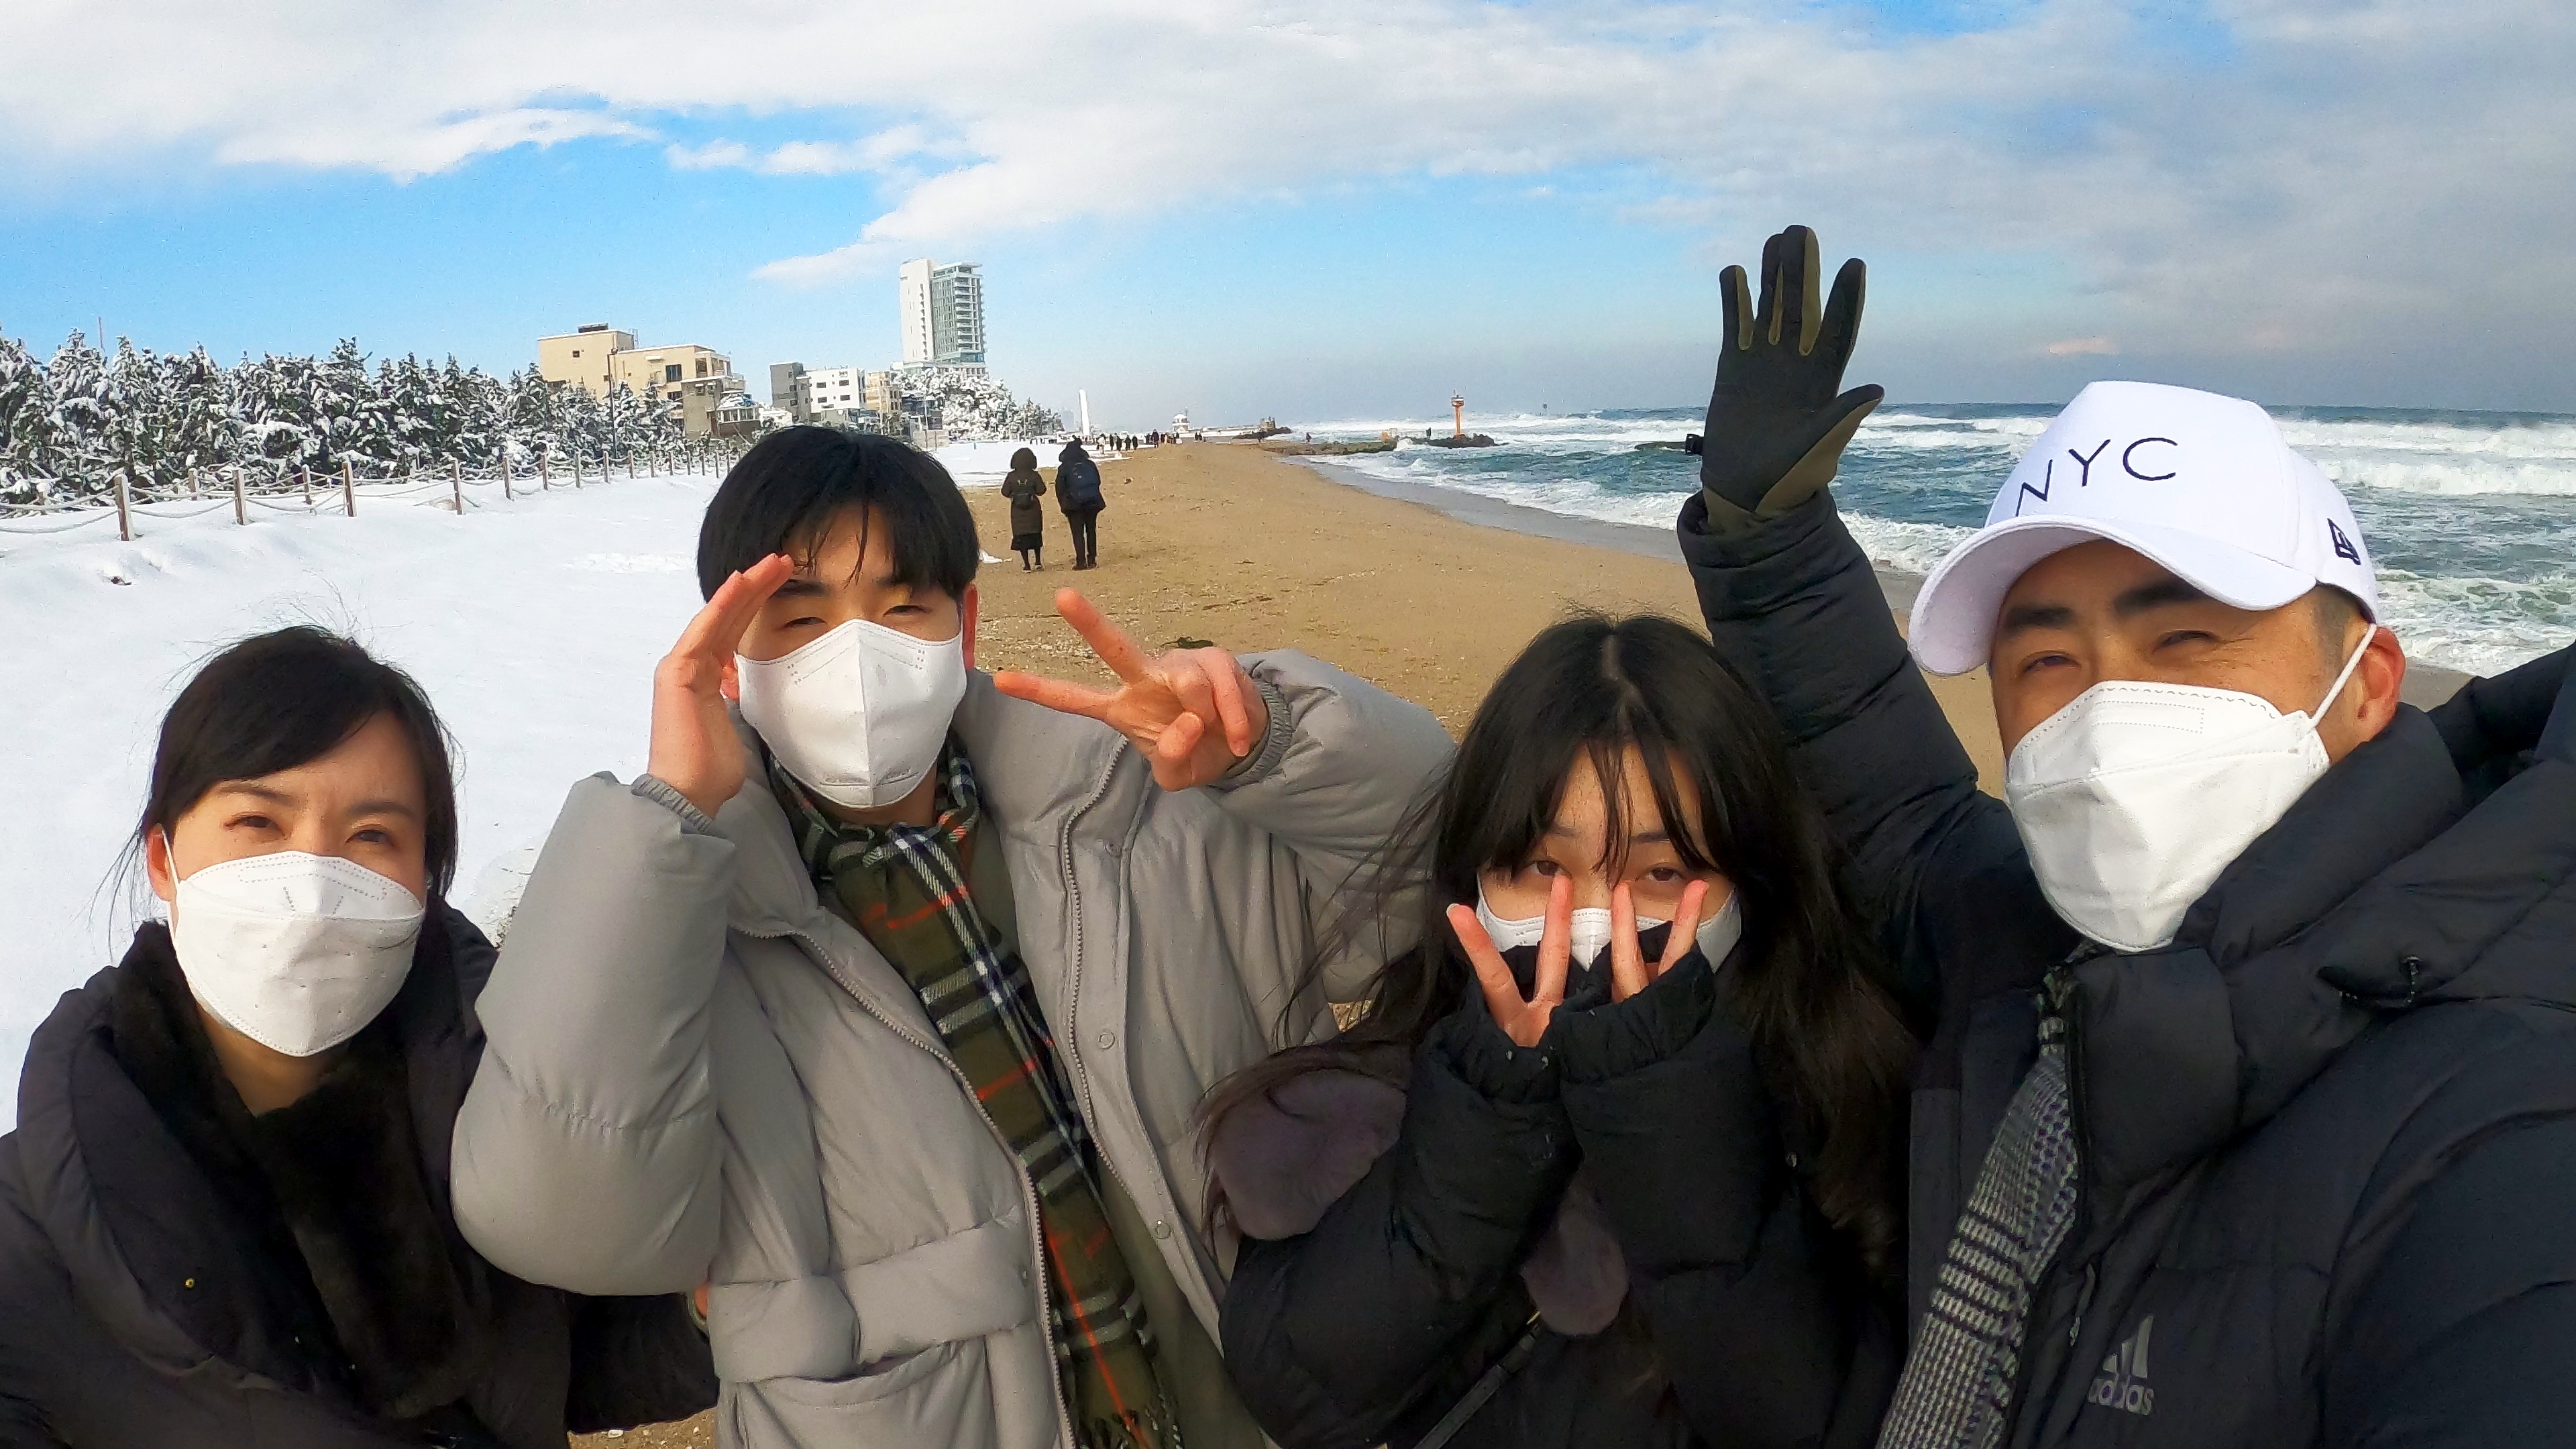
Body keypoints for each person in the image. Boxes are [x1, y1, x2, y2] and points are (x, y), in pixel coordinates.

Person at [1675, 226, 2576, 1446]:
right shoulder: (2033, 950)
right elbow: (1893, 799)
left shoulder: (2500, 1109)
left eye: (2185, 641)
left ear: (2369, 686)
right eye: (2048, 659)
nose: (2106, 716)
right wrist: (1767, 541)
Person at [450, 427, 1453, 1449]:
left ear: (963, 629)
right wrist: (664, 821)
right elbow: (557, 1218)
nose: (855, 659)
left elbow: (1443, 881)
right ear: (725, 659)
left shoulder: (1153, 813)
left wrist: (1272, 745)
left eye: (900, 611)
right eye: (799, 620)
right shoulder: (677, 923)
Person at [1210, 614, 1917, 1449]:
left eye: (1661, 873)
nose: (1592, 926)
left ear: (1754, 884)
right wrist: (1494, 1109)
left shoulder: (1854, 1099)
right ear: (1473, 876)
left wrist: (1673, 1118)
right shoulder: (1373, 1099)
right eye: (1545, 868)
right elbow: (1296, 1387)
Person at [0, 627, 714, 1448]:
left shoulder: (501, 1107)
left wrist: (698, 1319)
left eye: (372, 835)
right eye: (258, 822)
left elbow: (563, 1367)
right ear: (164, 859)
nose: (313, 883)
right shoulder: (30, 1253)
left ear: (424, 881)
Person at [1058, 438, 1107, 570]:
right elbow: (1098, 481)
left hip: (1074, 504)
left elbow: (1060, 488)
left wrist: (1064, 504)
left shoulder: (1064, 468)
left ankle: (1081, 561)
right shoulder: (1090, 464)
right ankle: (1092, 559)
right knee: (1091, 530)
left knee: (1078, 533)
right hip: (1092, 501)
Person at [1002, 445, 1049, 570]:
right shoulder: (1034, 475)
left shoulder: (1011, 476)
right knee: (1035, 534)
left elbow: (1004, 492)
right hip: (1033, 509)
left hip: (1017, 510)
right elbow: (1042, 490)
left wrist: (1014, 495)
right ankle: (1038, 562)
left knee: (1021, 536)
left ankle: (1027, 565)